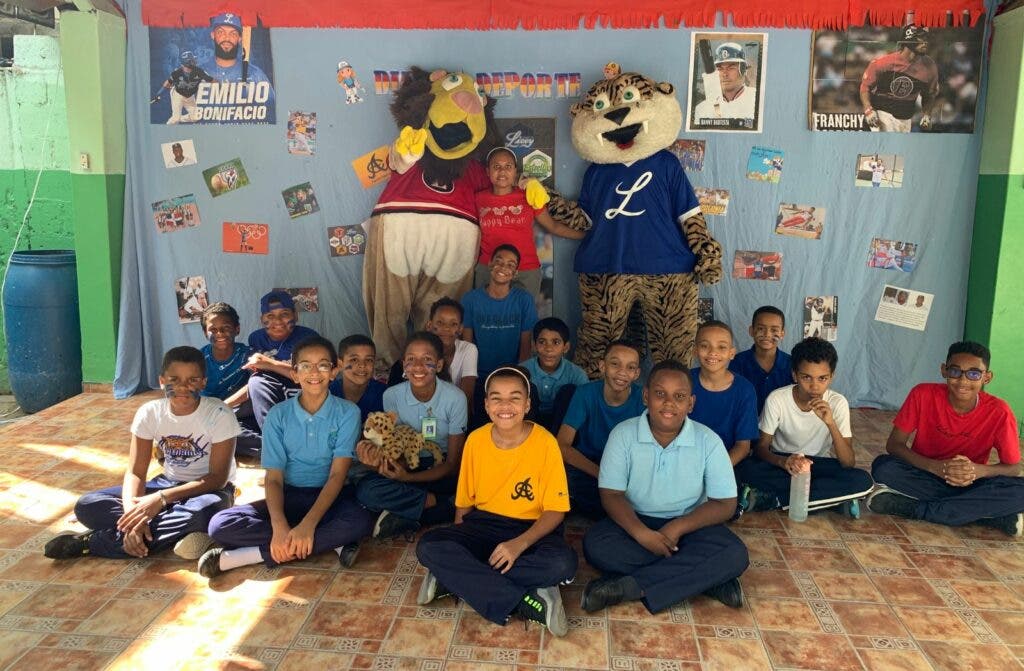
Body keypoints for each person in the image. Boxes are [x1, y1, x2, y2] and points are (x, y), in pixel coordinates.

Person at [415, 367, 576, 637]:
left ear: (527, 405)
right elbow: (464, 502)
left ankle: (454, 578)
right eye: (496, 398)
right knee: (429, 546)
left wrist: (518, 544)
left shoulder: (546, 443)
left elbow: (556, 511)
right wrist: (460, 541)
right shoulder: (476, 440)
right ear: (487, 405)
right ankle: (524, 600)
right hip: (484, 524)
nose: (505, 406)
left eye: (514, 398)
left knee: (562, 563)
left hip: (531, 528)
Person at [580, 360, 748, 613]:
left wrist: (677, 527)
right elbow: (611, 494)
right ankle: (706, 579)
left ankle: (630, 587)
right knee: (597, 546)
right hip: (635, 522)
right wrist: (641, 533)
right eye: (660, 394)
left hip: (690, 526)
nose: (669, 403)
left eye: (679, 397)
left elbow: (725, 504)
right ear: (646, 397)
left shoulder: (709, 440)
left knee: (734, 553)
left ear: (690, 403)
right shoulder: (622, 434)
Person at [200, 336, 375, 576]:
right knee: (219, 525)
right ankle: (331, 542)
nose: (314, 372)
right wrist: (279, 525)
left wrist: (308, 524)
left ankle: (245, 557)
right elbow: (273, 478)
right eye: (305, 366)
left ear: (334, 371)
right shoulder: (278, 415)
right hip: (289, 495)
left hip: (330, 496)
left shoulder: (348, 413)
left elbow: (337, 475)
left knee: (360, 521)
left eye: (323, 365)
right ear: (294, 374)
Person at [44, 347, 239, 561]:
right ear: (162, 381)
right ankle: (165, 533)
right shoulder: (150, 413)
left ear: (203, 382)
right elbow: (136, 472)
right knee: (87, 505)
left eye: (192, 380)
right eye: (174, 379)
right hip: (167, 483)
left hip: (210, 491)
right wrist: (134, 515)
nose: (183, 387)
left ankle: (91, 543)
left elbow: (217, 478)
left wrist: (160, 499)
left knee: (201, 515)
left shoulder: (219, 414)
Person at [869, 341, 1024, 536]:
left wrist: (978, 471)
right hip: (925, 474)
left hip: (970, 483)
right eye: (955, 371)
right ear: (944, 370)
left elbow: (1013, 468)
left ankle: (916, 509)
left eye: (974, 374)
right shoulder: (922, 394)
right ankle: (983, 515)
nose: (963, 381)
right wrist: (935, 467)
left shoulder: (1000, 411)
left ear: (987, 377)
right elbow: (894, 445)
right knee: (883, 467)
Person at [736, 337, 873, 515]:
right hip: (783, 464)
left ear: (832, 377)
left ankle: (773, 499)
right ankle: (831, 499)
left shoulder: (838, 403)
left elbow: (848, 462)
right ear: (794, 375)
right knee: (746, 468)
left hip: (817, 465)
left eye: (822, 378)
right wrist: (784, 462)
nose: (814, 386)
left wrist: (830, 423)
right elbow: (760, 448)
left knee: (862, 479)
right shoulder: (777, 399)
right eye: (806, 377)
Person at [355, 332, 468, 539]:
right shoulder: (392, 395)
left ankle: (410, 512)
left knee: (467, 486)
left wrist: (409, 478)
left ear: (439, 365)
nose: (418, 366)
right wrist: (381, 462)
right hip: (410, 463)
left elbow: (453, 464)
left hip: (442, 468)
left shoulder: (455, 398)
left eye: (427, 359)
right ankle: (436, 505)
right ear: (403, 364)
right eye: (411, 359)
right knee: (366, 490)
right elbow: (395, 445)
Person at [474, 147, 584, 296]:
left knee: (523, 311)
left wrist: (587, 236)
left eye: (508, 166)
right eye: (496, 167)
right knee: (486, 311)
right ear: (488, 171)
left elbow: (553, 226)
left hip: (525, 270)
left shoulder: (528, 195)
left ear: (515, 171)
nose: (502, 171)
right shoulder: (478, 199)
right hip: (489, 269)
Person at [556, 340, 645, 517]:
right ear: (602, 366)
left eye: (630, 367)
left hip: (627, 468)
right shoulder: (585, 393)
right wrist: (603, 475)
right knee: (564, 484)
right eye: (615, 364)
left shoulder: (643, 399)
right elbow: (562, 445)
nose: (622, 372)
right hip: (590, 465)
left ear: (636, 374)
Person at [237, 291, 320, 457]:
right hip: (267, 402)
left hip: (299, 399)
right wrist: (224, 405)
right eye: (270, 316)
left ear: (295, 316)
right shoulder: (256, 339)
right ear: (262, 319)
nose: (277, 321)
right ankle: (280, 448)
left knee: (258, 382)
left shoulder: (308, 338)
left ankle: (277, 447)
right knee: (228, 428)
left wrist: (270, 364)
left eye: (284, 314)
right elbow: (254, 382)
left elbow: (311, 377)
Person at [387, 297, 478, 415]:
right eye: (440, 323)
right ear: (429, 325)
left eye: (453, 324)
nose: (446, 328)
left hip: (452, 414)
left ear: (460, 329)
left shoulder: (468, 350)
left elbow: (466, 396)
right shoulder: (411, 355)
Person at [462, 244, 538, 383]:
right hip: (478, 375)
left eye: (510, 265)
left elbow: (525, 348)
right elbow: (467, 345)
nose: (503, 267)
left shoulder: (524, 300)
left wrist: (519, 377)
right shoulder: (470, 299)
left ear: (515, 272)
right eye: (499, 262)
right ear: (490, 264)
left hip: (512, 374)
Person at [688, 321, 759, 468]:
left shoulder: (745, 390)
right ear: (695, 350)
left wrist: (716, 471)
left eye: (721, 347)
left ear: (731, 353)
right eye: (705, 346)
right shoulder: (683, 382)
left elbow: (743, 446)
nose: (712, 352)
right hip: (686, 461)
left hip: (728, 464)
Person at [196, 12, 276, 123]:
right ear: (213, 35)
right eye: (221, 32)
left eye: (233, 34)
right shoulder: (197, 74)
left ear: (239, 38)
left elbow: (272, 115)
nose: (227, 38)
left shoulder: (255, 75)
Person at [860, 24, 938, 133]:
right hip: (882, 115)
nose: (925, 42)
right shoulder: (884, 63)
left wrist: (927, 115)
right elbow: (865, 86)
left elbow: (929, 94)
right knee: (885, 143)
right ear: (909, 39)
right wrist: (868, 110)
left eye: (927, 38)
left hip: (905, 119)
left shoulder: (930, 67)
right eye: (922, 38)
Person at [519, 317, 589, 433]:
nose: (549, 349)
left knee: (570, 391)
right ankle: (529, 439)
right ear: (534, 345)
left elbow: (585, 411)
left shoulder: (577, 375)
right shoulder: (523, 370)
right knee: (526, 387)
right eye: (542, 342)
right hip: (529, 424)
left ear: (566, 347)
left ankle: (559, 442)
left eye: (556, 342)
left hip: (564, 427)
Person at [730, 306, 792, 415]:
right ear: (751, 331)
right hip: (747, 421)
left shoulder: (791, 363)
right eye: (761, 328)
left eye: (774, 330)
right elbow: (734, 398)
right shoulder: (738, 362)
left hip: (781, 423)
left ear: (782, 334)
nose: (767, 334)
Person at [199, 302, 251, 405]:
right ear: (205, 333)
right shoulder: (197, 359)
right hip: (205, 410)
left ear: (237, 329)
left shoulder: (247, 354)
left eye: (226, 327)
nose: (220, 333)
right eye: (213, 330)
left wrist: (223, 406)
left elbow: (256, 385)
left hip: (236, 410)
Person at [693, 42, 757, 123]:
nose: (725, 74)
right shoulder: (702, 109)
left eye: (731, 68)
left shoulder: (756, 99)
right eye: (720, 69)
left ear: (743, 70)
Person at [329, 334, 386, 422]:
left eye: (369, 360)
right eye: (354, 360)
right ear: (340, 364)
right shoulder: (328, 394)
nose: (362, 365)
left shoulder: (385, 395)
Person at [153, 51, 214, 125]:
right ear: (187, 63)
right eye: (192, 60)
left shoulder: (199, 71)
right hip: (178, 94)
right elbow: (167, 83)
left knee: (195, 117)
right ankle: (170, 124)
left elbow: (211, 80)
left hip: (189, 96)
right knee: (175, 120)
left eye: (193, 59)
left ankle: (178, 118)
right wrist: (158, 94)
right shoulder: (177, 73)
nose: (194, 61)